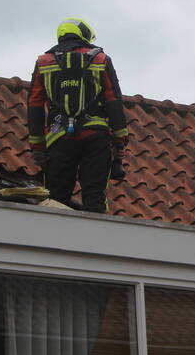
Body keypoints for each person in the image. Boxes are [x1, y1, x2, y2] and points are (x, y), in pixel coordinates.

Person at [27, 18, 129, 213]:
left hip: (59, 137)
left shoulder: (43, 62)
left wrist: (38, 147)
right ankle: (95, 239)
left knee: (56, 199)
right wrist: (120, 140)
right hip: (95, 137)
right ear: (84, 35)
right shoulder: (101, 59)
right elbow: (113, 100)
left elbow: (35, 104)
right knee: (95, 195)